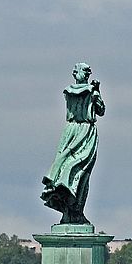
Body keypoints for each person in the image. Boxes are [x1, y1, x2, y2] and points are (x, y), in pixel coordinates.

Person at [40, 62, 106, 224]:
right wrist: (96, 92)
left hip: (71, 131)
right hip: (83, 131)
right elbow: (101, 111)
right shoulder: (91, 92)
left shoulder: (69, 91)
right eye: (85, 72)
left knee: (79, 173)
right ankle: (73, 211)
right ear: (76, 73)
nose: (87, 75)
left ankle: (73, 212)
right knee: (79, 172)